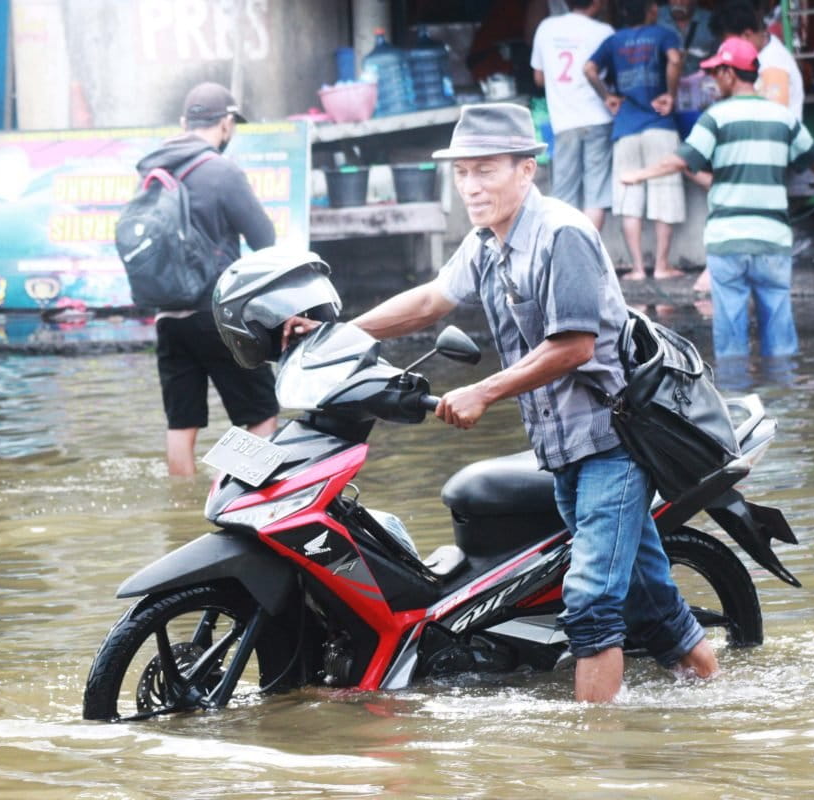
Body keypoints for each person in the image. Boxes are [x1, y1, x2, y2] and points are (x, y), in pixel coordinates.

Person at [284, 103, 718, 703]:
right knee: (648, 592)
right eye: (463, 173)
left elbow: (572, 346)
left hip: (612, 444)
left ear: (525, 170)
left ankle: (596, 760)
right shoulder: (488, 241)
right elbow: (434, 298)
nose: (471, 186)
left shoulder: (561, 234)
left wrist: (484, 390)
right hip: (561, 449)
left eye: (485, 170)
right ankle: (717, 692)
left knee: (590, 603)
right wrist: (341, 334)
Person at [622, 37, 814, 358]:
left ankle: (736, 400)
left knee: (731, 340)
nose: (711, 80)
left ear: (729, 74)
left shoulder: (716, 117)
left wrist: (638, 175)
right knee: (779, 335)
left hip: (729, 242)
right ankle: (786, 402)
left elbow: (684, 159)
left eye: (714, 73)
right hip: (772, 241)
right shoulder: (783, 118)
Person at [136, 82, 279, 476]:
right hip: (219, 315)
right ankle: (225, 489)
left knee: (181, 423)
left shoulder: (153, 170)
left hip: (168, 317)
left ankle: (181, 511)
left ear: (184, 123)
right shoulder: (222, 170)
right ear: (227, 124)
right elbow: (265, 239)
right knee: (262, 414)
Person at [690, 0, 806, 294]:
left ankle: (719, 263)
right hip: (758, 147)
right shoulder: (760, 59)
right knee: (694, 166)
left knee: (716, 176)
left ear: (745, 36)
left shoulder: (774, 64)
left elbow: (772, 122)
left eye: (727, 43)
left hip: (772, 151)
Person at [584, 0, 685, 281]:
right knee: (664, 193)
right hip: (659, 122)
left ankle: (639, 269)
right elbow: (675, 60)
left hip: (625, 125)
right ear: (651, 10)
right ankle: (662, 266)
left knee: (629, 199)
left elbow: (589, 68)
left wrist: (608, 97)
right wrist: (671, 95)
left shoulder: (614, 40)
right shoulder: (664, 34)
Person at [530, 0, 615, 229]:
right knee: (595, 193)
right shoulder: (604, 31)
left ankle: (565, 258)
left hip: (564, 121)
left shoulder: (546, 28)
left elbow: (538, 78)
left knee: (564, 197)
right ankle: (588, 257)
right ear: (597, 3)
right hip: (598, 118)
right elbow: (611, 76)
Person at [658, 0, 719, 75]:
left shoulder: (711, 21)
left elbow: (718, 58)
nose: (679, 2)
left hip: (702, 82)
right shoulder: (655, 16)